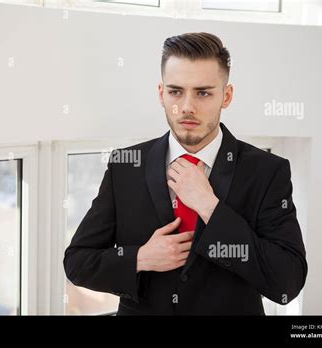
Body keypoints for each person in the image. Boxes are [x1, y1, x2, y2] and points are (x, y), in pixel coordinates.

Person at [64, 32, 307, 315]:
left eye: (203, 92)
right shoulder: (125, 166)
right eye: (175, 91)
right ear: (161, 93)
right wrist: (139, 258)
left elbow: (286, 282)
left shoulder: (267, 172)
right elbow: (77, 262)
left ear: (226, 96)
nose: (187, 107)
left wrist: (210, 208)